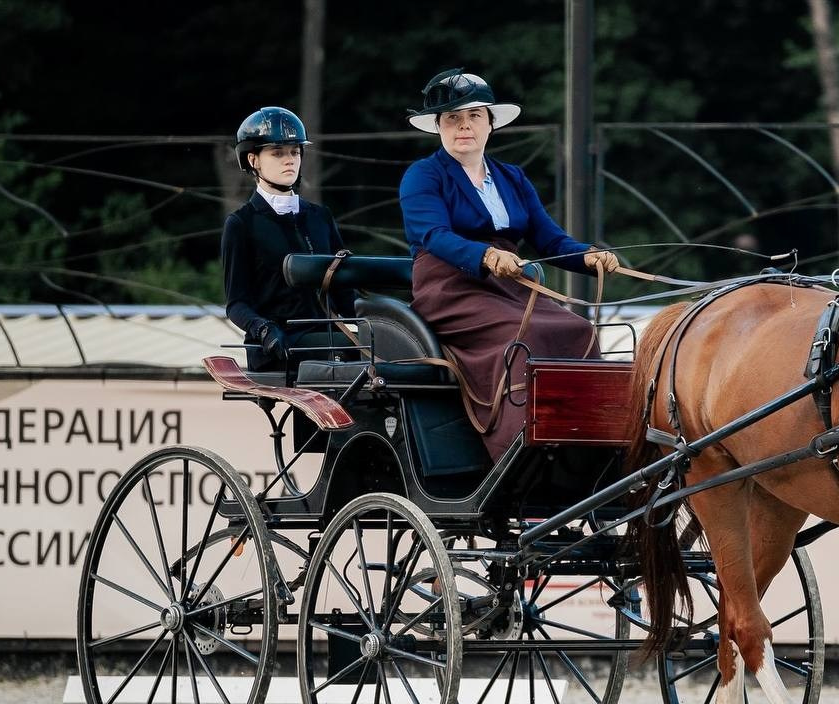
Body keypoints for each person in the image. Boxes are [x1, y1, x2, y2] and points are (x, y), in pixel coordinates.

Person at [399, 69, 618, 461]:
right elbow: (432, 234)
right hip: (450, 287)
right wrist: (484, 255)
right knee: (527, 334)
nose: (464, 127)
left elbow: (550, 238)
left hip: (510, 284)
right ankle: (520, 447)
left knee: (578, 328)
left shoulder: (512, 177)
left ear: (490, 123)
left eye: (474, 117)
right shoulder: (423, 175)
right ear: (438, 127)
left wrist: (588, 255)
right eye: (452, 119)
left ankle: (587, 444)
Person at [222, 106, 356, 372]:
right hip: (276, 342)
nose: (290, 160)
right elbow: (236, 303)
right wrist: (262, 329)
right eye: (278, 152)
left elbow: (344, 292)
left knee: (387, 346)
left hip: (324, 337)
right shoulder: (240, 223)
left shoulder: (320, 216)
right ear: (253, 160)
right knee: (350, 351)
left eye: (295, 152)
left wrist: (389, 321)